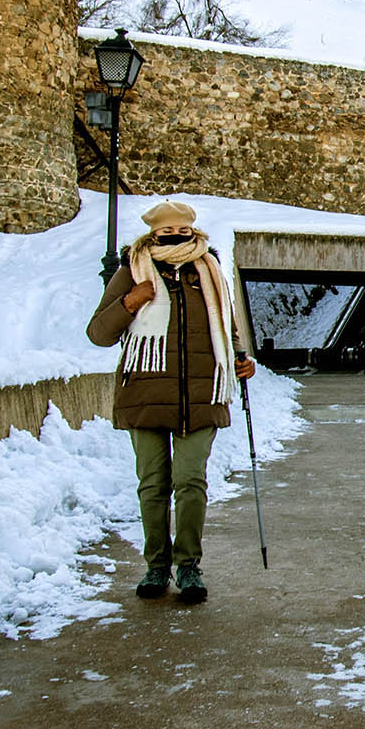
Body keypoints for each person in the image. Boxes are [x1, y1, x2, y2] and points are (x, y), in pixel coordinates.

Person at [87, 200, 255, 604]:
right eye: (167, 232)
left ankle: (188, 565)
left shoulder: (209, 271)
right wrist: (131, 302)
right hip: (145, 394)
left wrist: (239, 359)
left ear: (192, 231)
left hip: (201, 395)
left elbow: (226, 330)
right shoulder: (132, 270)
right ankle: (156, 565)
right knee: (153, 485)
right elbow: (98, 333)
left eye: (182, 230)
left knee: (191, 482)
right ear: (153, 234)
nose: (176, 236)